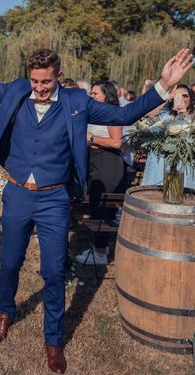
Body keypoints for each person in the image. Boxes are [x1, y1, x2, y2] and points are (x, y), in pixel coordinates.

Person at [0, 18, 193, 374]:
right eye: (35, 81)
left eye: (46, 81)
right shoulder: (17, 91)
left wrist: (163, 86)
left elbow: (125, 114)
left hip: (55, 199)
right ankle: (5, 311)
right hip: (17, 194)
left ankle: (53, 340)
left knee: (53, 271)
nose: (40, 88)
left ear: (58, 75)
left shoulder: (78, 101)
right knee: (11, 262)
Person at [75, 81, 125, 266]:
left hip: (108, 163)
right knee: (97, 206)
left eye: (96, 93)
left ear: (107, 95)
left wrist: (91, 138)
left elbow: (116, 142)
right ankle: (100, 248)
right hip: (95, 160)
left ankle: (100, 253)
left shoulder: (112, 113)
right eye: (92, 93)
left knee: (104, 207)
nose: (92, 96)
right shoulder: (95, 113)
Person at [141, 85, 195, 190]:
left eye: (185, 96)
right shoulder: (164, 114)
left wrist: (183, 114)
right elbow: (147, 114)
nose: (182, 98)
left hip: (183, 168)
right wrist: (166, 98)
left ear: (190, 99)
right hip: (158, 166)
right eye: (178, 95)